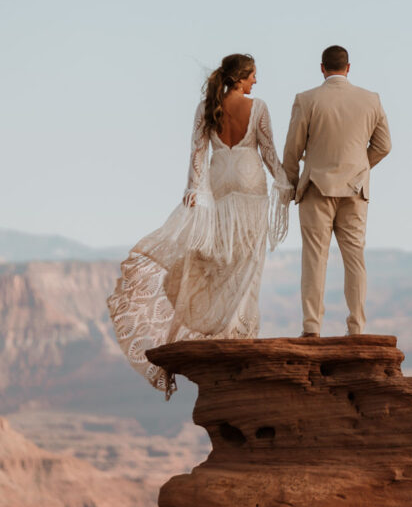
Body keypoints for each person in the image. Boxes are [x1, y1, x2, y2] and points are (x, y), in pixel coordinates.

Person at [107, 54, 293, 397]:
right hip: (251, 189)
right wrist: (285, 182)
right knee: (247, 264)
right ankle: (238, 334)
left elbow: (197, 152)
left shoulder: (207, 106)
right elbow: (267, 151)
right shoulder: (259, 107)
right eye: (253, 76)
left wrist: (194, 188)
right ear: (241, 78)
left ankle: (225, 329)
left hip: (220, 186)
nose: (256, 82)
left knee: (223, 260)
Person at [283, 45, 391, 337]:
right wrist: (359, 169)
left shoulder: (306, 100)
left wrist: (290, 185)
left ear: (322, 68)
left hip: (316, 188)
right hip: (356, 191)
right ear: (348, 67)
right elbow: (384, 145)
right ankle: (356, 326)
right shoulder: (371, 100)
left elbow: (293, 149)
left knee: (314, 259)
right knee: (355, 258)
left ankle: (311, 327)